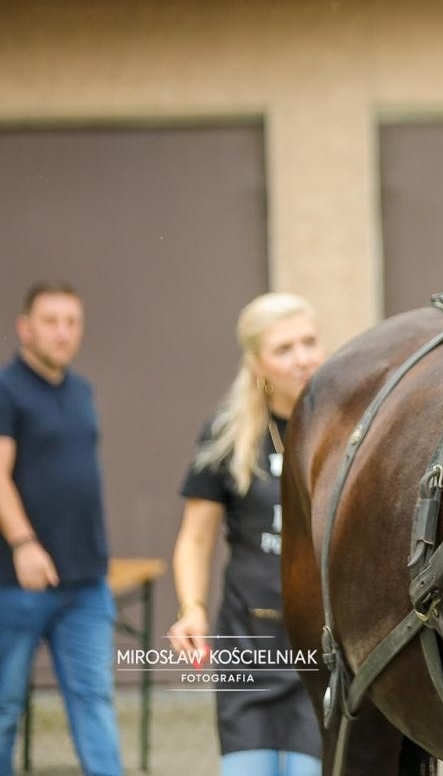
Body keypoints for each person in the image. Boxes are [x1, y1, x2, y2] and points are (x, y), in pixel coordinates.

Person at [168, 294, 325, 776]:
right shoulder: (227, 433)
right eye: (283, 349)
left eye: (309, 342)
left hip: (322, 642)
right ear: (257, 361)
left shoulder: (345, 424)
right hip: (250, 638)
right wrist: (191, 609)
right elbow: (195, 539)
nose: (302, 358)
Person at [0, 281, 122, 776]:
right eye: (51, 321)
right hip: (17, 583)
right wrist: (23, 543)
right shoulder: (7, 390)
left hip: (86, 581)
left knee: (94, 699)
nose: (63, 333)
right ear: (24, 328)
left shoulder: (80, 389)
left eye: (72, 322)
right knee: (5, 708)